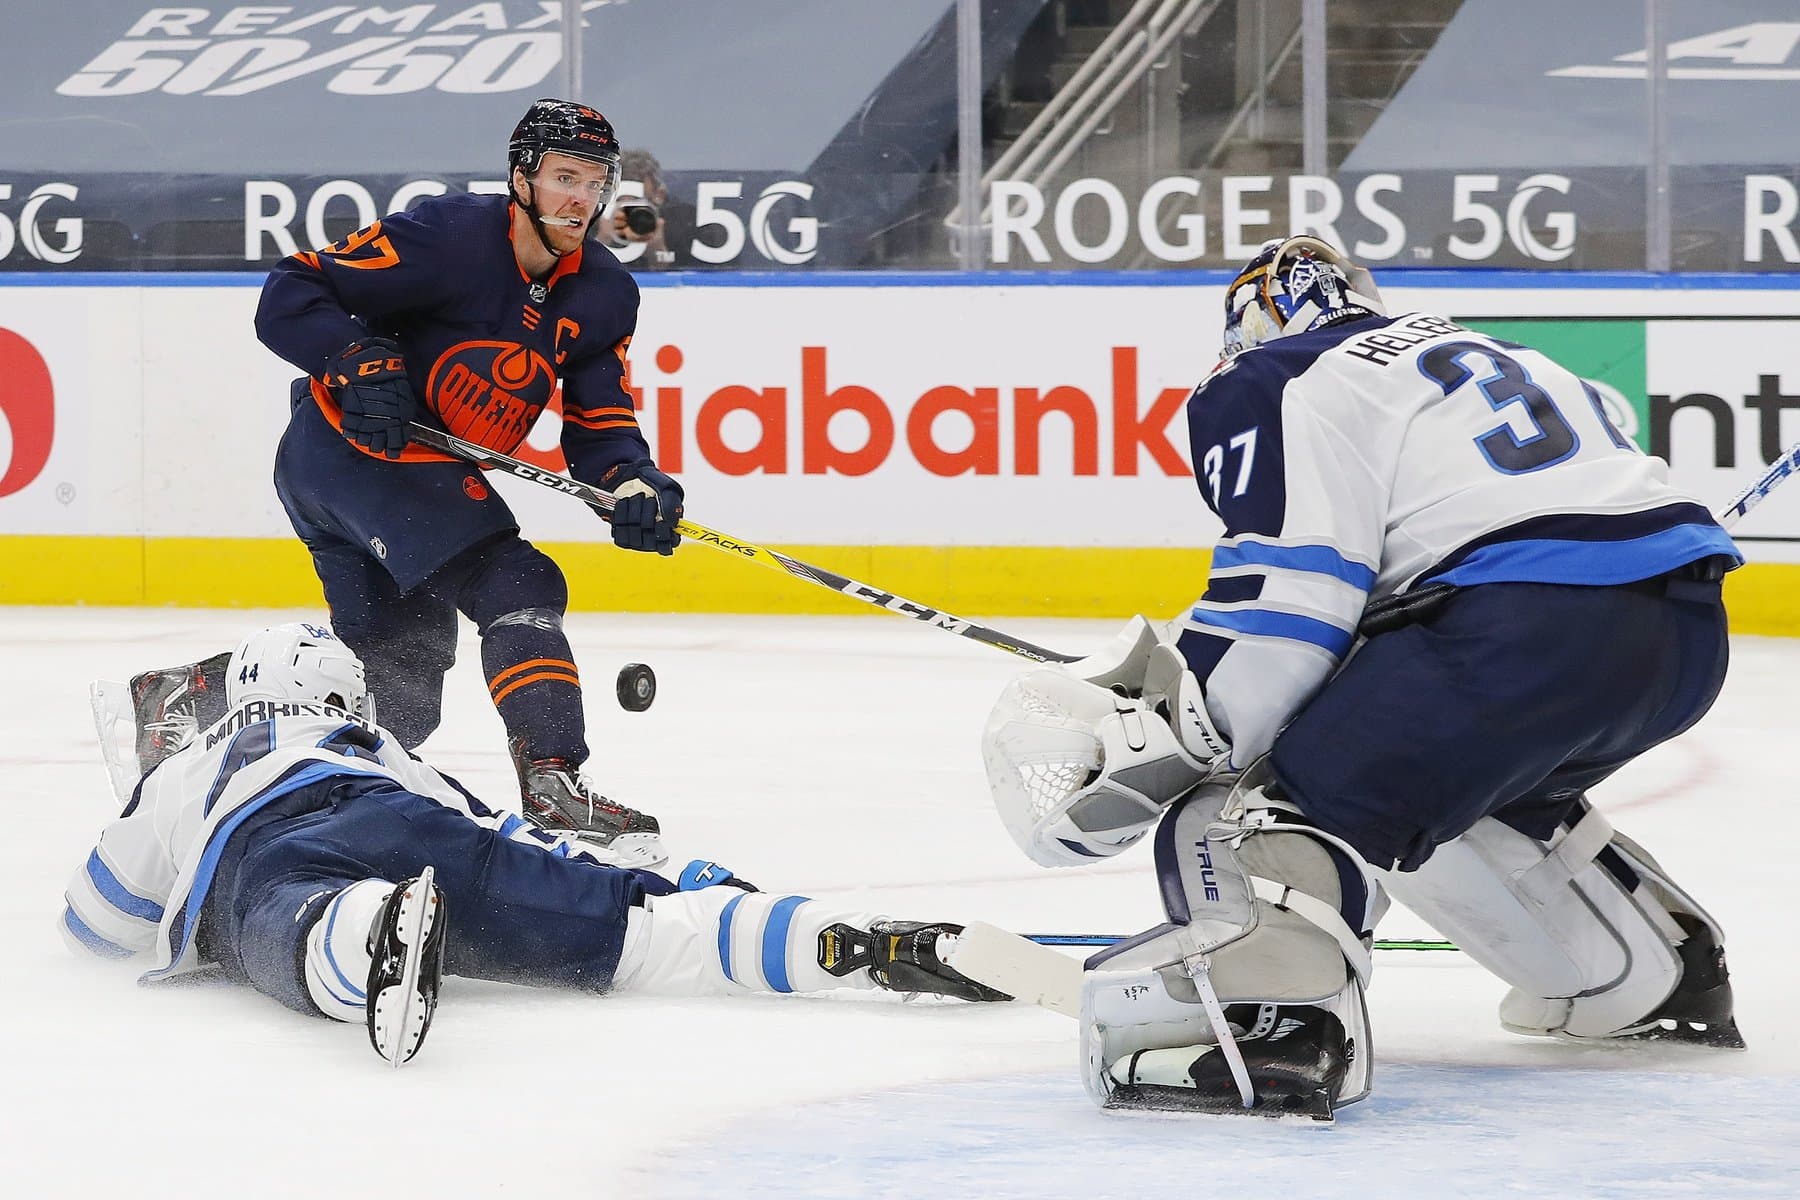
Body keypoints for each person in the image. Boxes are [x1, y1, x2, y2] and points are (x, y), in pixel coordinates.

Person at [978, 235, 1744, 1120]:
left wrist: (1186, 728)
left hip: (1516, 634)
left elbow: (1290, 604)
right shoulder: (1490, 352)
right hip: (1683, 635)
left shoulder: (1271, 373)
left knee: (1261, 800)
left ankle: (1270, 1031)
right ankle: (1653, 976)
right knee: (1453, 795)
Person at [66, 623, 1005, 1067]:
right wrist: (680, 878)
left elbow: (99, 917)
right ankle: (837, 943)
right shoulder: (379, 746)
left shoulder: (198, 763)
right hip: (410, 822)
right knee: (626, 933)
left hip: (268, 844)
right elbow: (503, 834)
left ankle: (363, 929)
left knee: (282, 924)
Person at [238, 98, 689, 866]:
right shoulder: (447, 236)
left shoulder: (603, 293)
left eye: (595, 183)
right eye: (564, 177)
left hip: (411, 477)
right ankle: (554, 784)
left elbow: (600, 421)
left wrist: (631, 481)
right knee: (516, 580)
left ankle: (208, 723)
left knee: (398, 701)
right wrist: (350, 359)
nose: (580, 199)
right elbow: (291, 290)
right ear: (522, 177)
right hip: (345, 451)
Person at [607, 148, 701, 270]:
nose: (628, 215)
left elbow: (702, 274)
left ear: (660, 195)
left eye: (638, 204)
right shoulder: (591, 220)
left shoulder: (683, 223)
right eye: (618, 203)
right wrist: (602, 241)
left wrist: (659, 254)